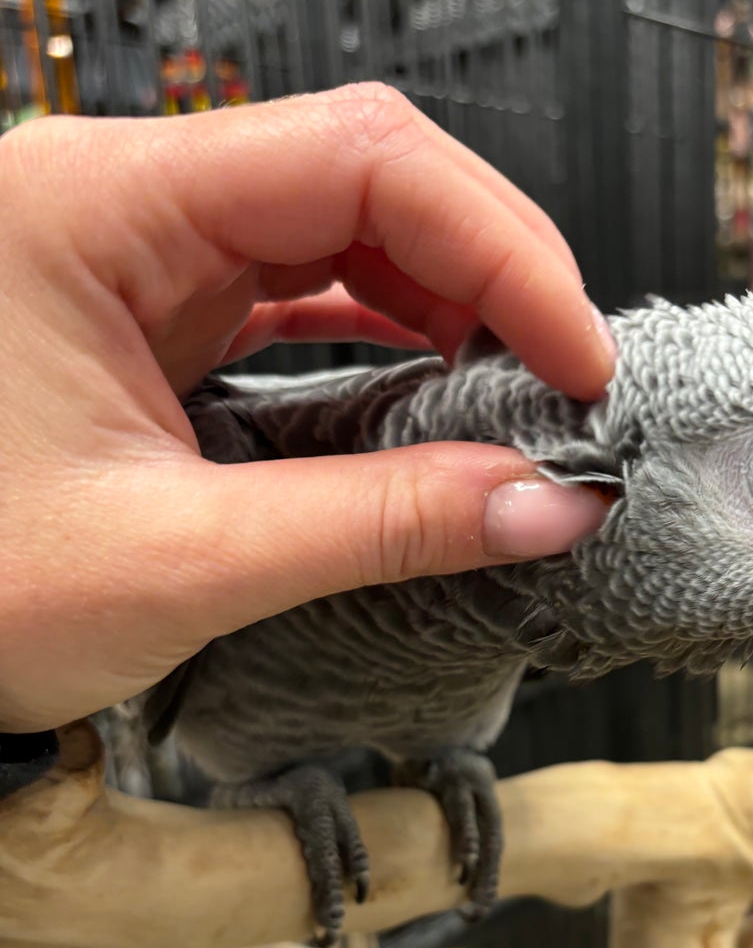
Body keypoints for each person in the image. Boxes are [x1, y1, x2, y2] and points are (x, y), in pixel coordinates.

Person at [0, 84, 617, 790]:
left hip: (448, 712)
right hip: (249, 732)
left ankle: (445, 763)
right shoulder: (229, 450)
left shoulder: (552, 564)